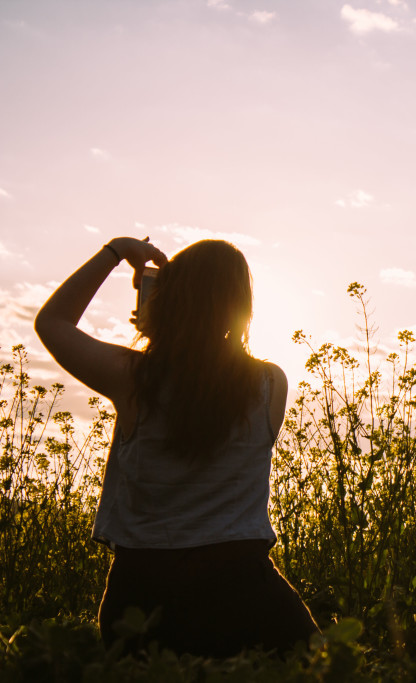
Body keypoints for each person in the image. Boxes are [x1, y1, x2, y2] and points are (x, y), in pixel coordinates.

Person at [35, 236, 320, 657]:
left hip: (145, 593)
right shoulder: (269, 384)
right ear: (239, 307)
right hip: (244, 585)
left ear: (167, 300)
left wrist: (113, 252)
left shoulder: (131, 378)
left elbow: (53, 322)